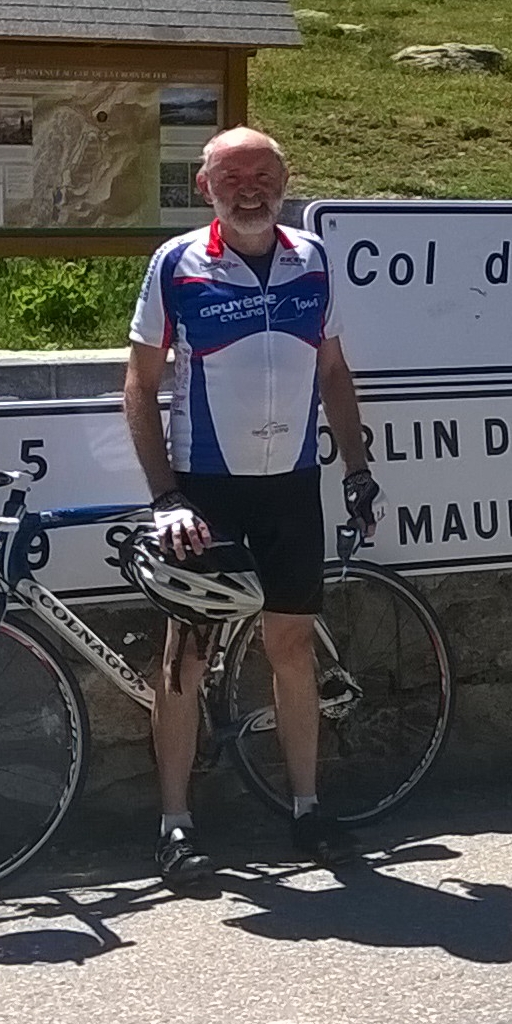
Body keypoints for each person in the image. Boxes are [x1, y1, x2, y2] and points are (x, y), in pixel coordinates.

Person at [124, 125, 380, 879]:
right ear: (206, 188)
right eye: (232, 177)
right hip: (207, 488)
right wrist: (166, 495)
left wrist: (357, 469)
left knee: (292, 647)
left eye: (263, 175)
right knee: (186, 655)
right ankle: (174, 825)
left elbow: (333, 373)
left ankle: (306, 809)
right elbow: (139, 386)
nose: (250, 189)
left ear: (285, 180)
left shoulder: (314, 260)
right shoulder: (177, 265)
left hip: (292, 483)